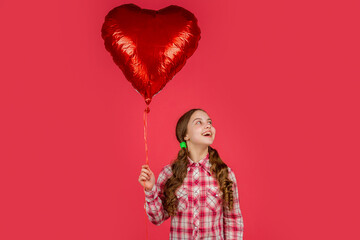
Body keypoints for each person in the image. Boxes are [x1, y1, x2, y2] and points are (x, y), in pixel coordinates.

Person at [138, 108, 244, 239]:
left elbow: (233, 221)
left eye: (209, 122)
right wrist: (150, 190)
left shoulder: (225, 173)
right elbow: (157, 218)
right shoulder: (169, 173)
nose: (208, 125)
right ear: (185, 136)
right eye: (199, 122)